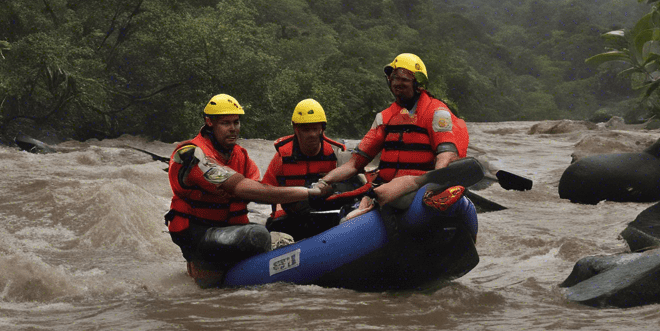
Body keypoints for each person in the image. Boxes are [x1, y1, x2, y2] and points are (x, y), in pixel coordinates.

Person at [165, 93, 324, 286]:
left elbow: (256, 188)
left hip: (229, 228)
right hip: (198, 231)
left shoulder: (242, 156)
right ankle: (202, 268)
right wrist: (309, 191)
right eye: (225, 123)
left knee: (278, 232)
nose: (233, 129)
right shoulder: (192, 154)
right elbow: (252, 191)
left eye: (236, 122)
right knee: (258, 235)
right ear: (209, 122)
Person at [316, 52, 469, 213]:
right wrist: (324, 182)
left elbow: (446, 156)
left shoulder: (437, 112)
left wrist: (436, 185)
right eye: (394, 78)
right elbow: (354, 164)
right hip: (385, 189)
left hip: (418, 189)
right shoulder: (384, 118)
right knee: (343, 208)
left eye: (404, 79)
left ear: (418, 84)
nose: (397, 83)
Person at [260, 98, 351, 240]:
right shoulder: (282, 156)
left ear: (322, 129)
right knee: (277, 223)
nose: (312, 134)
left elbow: (350, 184)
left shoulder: (336, 154)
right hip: (292, 214)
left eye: (315, 129)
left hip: (324, 211)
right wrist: (279, 211)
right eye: (306, 129)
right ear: (296, 129)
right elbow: (266, 191)